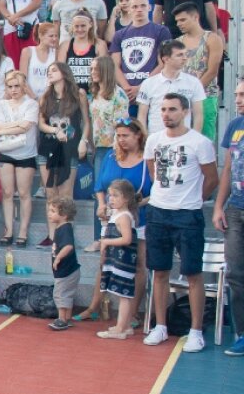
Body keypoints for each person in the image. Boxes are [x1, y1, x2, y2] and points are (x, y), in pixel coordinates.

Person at [143, 93, 218, 351]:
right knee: (160, 271)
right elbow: (153, 171)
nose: (166, 114)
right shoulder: (153, 140)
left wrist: (194, 199)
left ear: (185, 111)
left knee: (193, 273)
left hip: (188, 214)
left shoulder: (200, 142)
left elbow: (212, 178)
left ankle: (196, 331)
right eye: (163, 109)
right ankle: (160, 326)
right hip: (158, 212)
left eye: (172, 109)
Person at [76, 119, 152, 324]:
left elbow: (155, 192)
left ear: (138, 135)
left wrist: (135, 205)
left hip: (138, 219)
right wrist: (101, 205)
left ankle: (132, 313)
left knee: (138, 264)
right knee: (104, 264)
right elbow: (100, 186)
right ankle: (94, 307)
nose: (121, 140)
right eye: (118, 135)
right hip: (110, 219)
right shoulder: (110, 155)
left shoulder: (148, 159)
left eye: (125, 135)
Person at [37, 62, 91, 247]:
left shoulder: (79, 94)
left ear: (64, 72)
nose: (50, 73)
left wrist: (84, 141)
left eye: (54, 70)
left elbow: (86, 122)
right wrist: (54, 130)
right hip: (48, 148)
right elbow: (41, 123)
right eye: (48, 71)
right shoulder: (46, 96)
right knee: (51, 193)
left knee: (66, 194)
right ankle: (52, 235)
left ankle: (66, 235)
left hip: (70, 149)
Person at [85, 56, 131, 250]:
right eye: (91, 68)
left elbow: (122, 125)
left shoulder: (118, 95)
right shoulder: (94, 93)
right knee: (100, 191)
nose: (92, 72)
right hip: (98, 147)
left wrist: (117, 151)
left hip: (113, 149)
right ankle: (99, 237)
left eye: (96, 68)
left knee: (111, 190)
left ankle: (116, 234)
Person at [212, 80, 244, 355]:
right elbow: (228, 170)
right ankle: (241, 334)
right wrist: (218, 206)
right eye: (236, 94)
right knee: (235, 273)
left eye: (243, 95)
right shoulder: (234, 126)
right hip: (235, 210)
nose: (238, 99)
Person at [0, 70, 39, 247]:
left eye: (17, 86)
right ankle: (9, 230)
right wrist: (12, 126)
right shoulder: (3, 104)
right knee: (8, 193)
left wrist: (1, 131)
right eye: (10, 86)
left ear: (24, 86)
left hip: (26, 153)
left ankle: (23, 230)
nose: (14, 89)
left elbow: (25, 127)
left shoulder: (31, 104)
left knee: (24, 193)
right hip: (6, 151)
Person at [96, 179, 143, 340]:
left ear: (126, 198)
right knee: (122, 294)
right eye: (110, 196)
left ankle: (120, 329)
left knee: (124, 296)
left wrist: (106, 241)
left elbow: (127, 239)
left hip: (123, 261)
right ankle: (126, 325)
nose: (111, 199)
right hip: (116, 259)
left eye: (115, 196)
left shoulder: (124, 216)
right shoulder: (117, 214)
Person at [175, 1, 224, 142]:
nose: (179, 24)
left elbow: (212, 70)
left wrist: (193, 92)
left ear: (196, 17)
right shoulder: (177, 42)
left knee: (204, 141)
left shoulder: (212, 39)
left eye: (183, 19)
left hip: (206, 96)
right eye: (177, 21)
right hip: (182, 98)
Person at [110, 0, 172, 102]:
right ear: (129, 9)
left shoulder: (161, 31)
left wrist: (141, 88)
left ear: (149, 8)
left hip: (153, 91)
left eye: (143, 6)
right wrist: (127, 89)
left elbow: (164, 63)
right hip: (127, 94)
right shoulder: (119, 35)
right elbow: (115, 65)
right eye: (134, 7)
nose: (139, 10)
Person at [136, 40, 205, 136]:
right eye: (179, 55)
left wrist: (194, 138)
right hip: (156, 139)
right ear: (166, 59)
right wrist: (146, 140)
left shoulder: (194, 82)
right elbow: (142, 116)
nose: (185, 58)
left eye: (186, 54)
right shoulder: (148, 83)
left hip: (184, 139)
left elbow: (198, 115)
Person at [47, 197, 80, 331]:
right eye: (50, 210)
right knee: (67, 293)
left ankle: (62, 319)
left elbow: (68, 246)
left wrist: (58, 258)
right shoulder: (61, 228)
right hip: (69, 269)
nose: (49, 213)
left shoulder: (65, 229)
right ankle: (67, 317)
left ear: (64, 215)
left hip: (66, 270)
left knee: (60, 294)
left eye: (53, 211)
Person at [57, 10, 107, 97]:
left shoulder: (99, 44)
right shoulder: (65, 45)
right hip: (71, 95)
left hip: (93, 94)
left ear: (90, 24)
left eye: (83, 26)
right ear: (72, 26)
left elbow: (104, 71)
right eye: (76, 26)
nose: (80, 29)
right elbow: (61, 71)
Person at [21, 21, 58, 100]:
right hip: (29, 99)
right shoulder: (28, 51)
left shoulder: (56, 53)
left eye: (56, 36)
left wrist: (44, 99)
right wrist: (34, 98)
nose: (54, 39)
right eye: (51, 36)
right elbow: (22, 80)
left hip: (49, 99)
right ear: (41, 35)